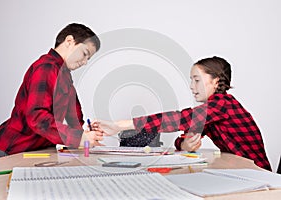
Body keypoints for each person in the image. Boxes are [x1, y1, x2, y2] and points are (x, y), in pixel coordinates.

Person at [92, 56, 272, 171]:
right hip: (242, 172)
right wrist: (185, 145)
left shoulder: (222, 104)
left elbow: (179, 119)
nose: (192, 86)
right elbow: (183, 137)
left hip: (260, 176)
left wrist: (120, 125)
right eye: (191, 80)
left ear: (216, 83)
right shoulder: (211, 113)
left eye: (197, 80)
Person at [0, 23, 103, 159]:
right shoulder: (46, 68)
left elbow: (74, 116)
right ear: (69, 41)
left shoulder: (64, 75)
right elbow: (37, 118)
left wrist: (87, 134)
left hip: (36, 150)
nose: (84, 62)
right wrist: (79, 138)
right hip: (13, 149)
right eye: (84, 54)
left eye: (88, 59)